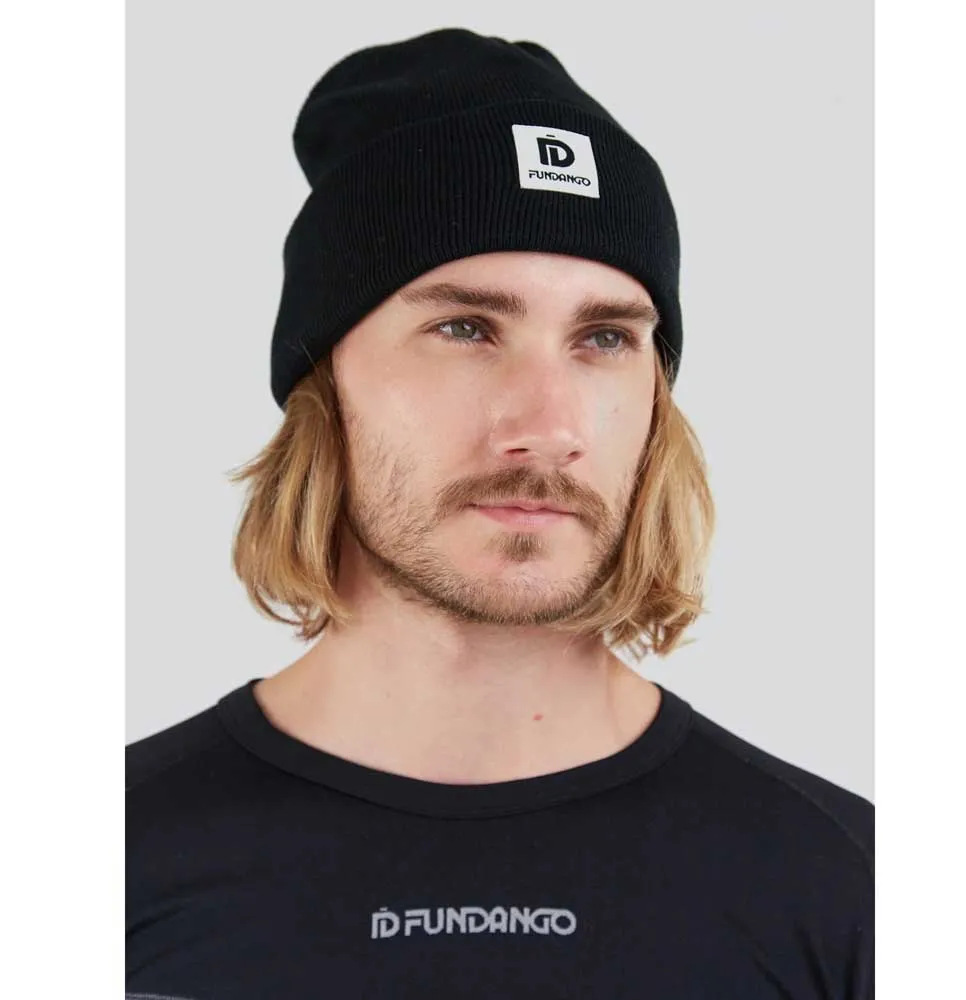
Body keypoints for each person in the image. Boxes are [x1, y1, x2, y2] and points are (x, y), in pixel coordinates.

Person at [126, 27, 874, 1000]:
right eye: (465, 327)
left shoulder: (851, 887)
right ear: (324, 384)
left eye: (604, 338)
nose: (548, 427)